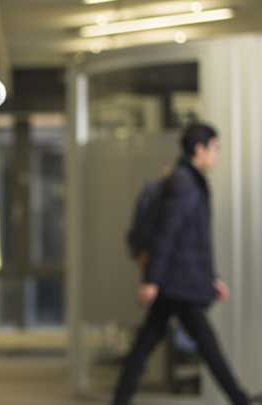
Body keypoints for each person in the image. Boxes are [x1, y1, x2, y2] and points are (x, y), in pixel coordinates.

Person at [111, 123, 249, 405]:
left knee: (147, 344)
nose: (216, 156)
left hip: (179, 280)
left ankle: (120, 399)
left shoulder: (187, 180)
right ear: (199, 149)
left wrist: (210, 278)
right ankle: (239, 399)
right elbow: (167, 234)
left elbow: (192, 240)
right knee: (207, 346)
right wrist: (152, 280)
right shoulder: (185, 184)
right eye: (215, 149)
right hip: (178, 283)